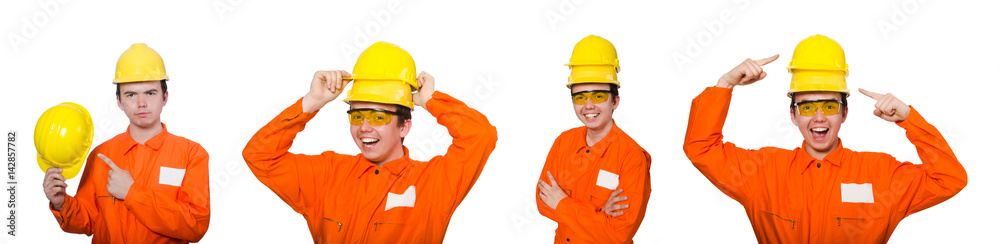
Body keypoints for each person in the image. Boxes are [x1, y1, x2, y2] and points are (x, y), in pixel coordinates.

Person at [683, 34, 968, 243]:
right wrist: (725, 84)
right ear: (793, 116)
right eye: (807, 107)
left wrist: (909, 119)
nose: (819, 117)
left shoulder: (882, 175)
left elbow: (949, 179)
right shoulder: (762, 172)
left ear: (844, 114)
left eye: (830, 106)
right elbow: (701, 149)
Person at [242, 42, 498, 243]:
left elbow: (480, 135)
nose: (364, 127)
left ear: (404, 126)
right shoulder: (326, 175)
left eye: (378, 116)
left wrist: (430, 99)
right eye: (356, 115)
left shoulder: (434, 184)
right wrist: (312, 102)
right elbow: (259, 155)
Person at [42, 43, 211, 243]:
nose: (141, 103)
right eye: (131, 95)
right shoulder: (100, 155)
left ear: (165, 97)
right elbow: (87, 221)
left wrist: (132, 194)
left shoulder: (192, 155)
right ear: (119, 101)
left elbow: (195, 226)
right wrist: (62, 204)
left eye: (150, 93)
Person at [536, 35, 652, 243]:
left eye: (598, 96)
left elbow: (619, 233)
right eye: (580, 97)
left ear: (615, 101)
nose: (588, 106)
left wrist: (562, 204)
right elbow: (543, 202)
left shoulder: (631, 156)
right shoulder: (564, 142)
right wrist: (599, 214)